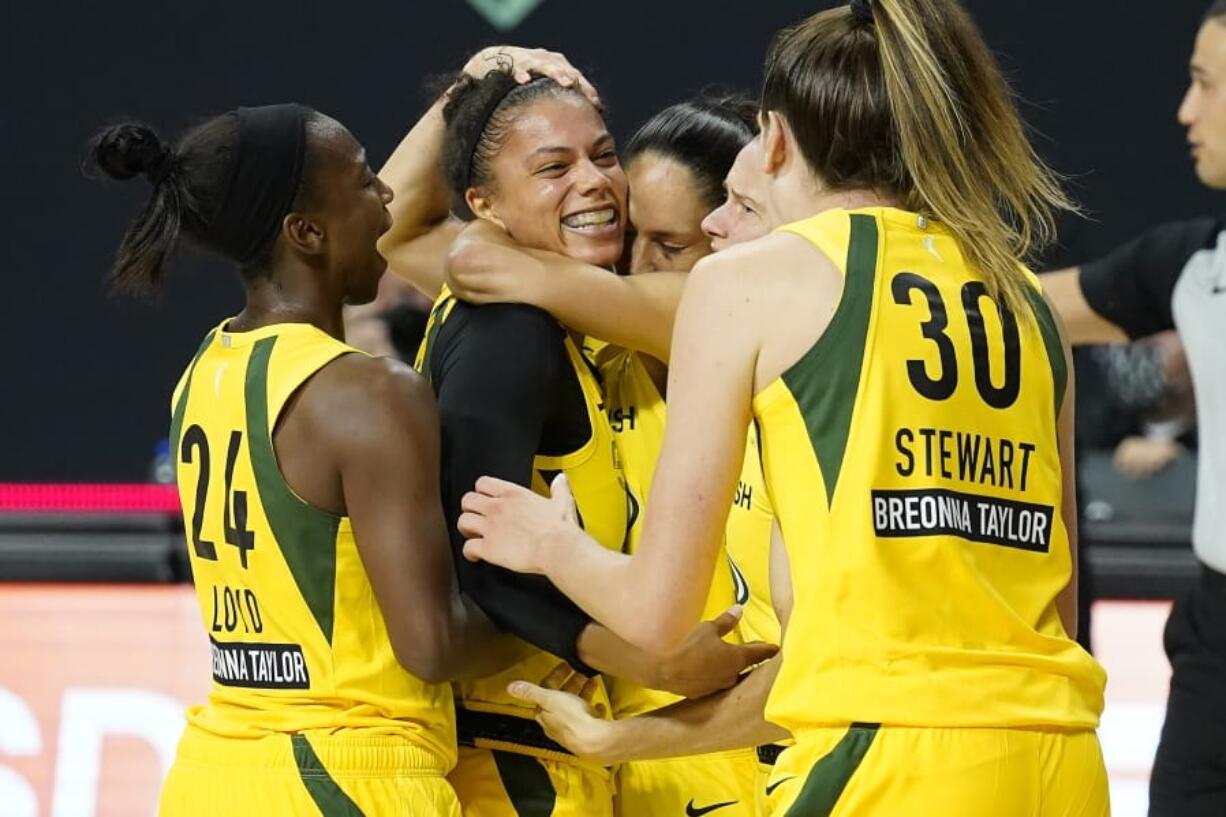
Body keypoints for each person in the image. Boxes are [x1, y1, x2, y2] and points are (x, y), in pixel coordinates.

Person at [457, 0, 1110, 814]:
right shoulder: (1027, 302)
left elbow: (657, 615)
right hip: (1063, 760)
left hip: (887, 762)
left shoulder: (751, 282)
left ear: (772, 137)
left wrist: (551, 544)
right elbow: (1060, 607)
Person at [86, 105, 528, 815]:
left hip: (214, 768)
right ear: (306, 231)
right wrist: (581, 602)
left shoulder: (203, 369)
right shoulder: (367, 391)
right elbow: (433, 645)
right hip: (343, 771)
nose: (386, 194)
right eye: (362, 182)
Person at [380, 50, 774, 817]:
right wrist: (471, 91)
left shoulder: (760, 326)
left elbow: (459, 253)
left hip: (756, 744)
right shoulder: (595, 335)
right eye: (635, 234)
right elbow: (394, 231)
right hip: (630, 760)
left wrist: (500, 250)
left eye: (674, 244)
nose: (634, 263)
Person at [1039, 4, 1226, 813]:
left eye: (1205, 83)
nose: (1185, 110)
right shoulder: (1189, 263)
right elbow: (1015, 303)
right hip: (1217, 642)